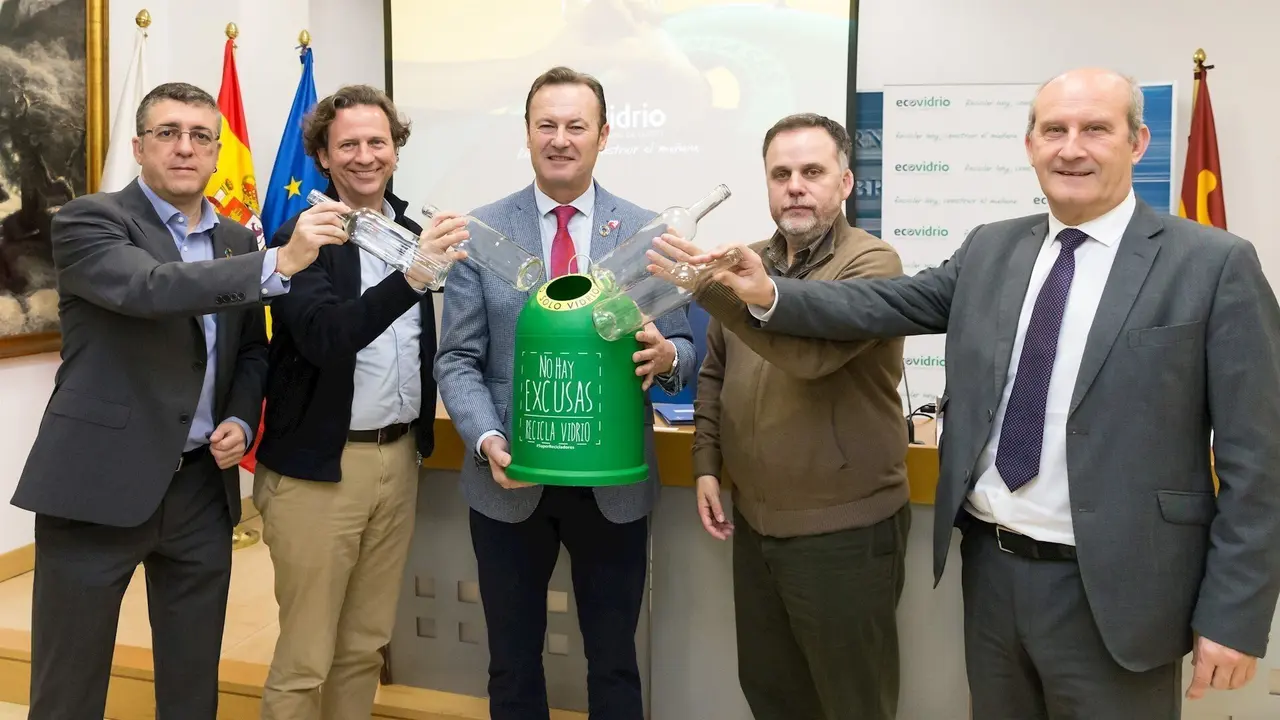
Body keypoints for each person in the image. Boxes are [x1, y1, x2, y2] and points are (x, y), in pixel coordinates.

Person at [663, 67, 1280, 719]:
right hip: (994, 573)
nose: (1071, 147)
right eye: (1054, 130)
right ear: (1031, 146)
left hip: (1119, 592)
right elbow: (876, 304)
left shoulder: (1213, 266)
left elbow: (1257, 461)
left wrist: (1234, 615)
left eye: (1095, 129)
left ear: (1138, 142)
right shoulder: (993, 249)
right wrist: (766, 293)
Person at [11, 81, 344, 719]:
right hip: (97, 484)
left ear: (218, 152)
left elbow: (251, 349)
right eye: (168, 133)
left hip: (198, 487)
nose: (185, 148)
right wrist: (280, 263)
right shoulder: (91, 220)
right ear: (139, 146)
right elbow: (152, 288)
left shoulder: (237, 242)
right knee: (68, 686)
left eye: (200, 136)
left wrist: (242, 416)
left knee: (192, 684)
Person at [434, 66, 696, 720]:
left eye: (575, 125)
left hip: (613, 489)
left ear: (603, 135)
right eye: (546, 125)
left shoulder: (646, 233)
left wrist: (667, 357)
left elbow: (688, 352)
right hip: (508, 481)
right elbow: (458, 359)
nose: (560, 139)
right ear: (526, 134)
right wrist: (490, 441)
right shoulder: (481, 234)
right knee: (512, 666)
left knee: (614, 664)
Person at [250, 84, 467, 720]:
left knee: (365, 645)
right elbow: (326, 338)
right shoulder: (303, 235)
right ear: (322, 155)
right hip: (320, 471)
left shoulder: (413, 232)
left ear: (396, 151)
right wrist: (414, 278)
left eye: (378, 142)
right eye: (348, 144)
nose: (365, 156)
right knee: (305, 657)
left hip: (397, 461)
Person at [688, 113, 911, 720]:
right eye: (780, 173)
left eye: (812, 172)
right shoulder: (750, 260)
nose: (794, 186)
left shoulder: (873, 265)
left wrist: (714, 290)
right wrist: (707, 464)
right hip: (757, 527)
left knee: (850, 704)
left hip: (844, 532)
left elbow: (811, 357)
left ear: (845, 183)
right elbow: (715, 373)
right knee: (773, 696)